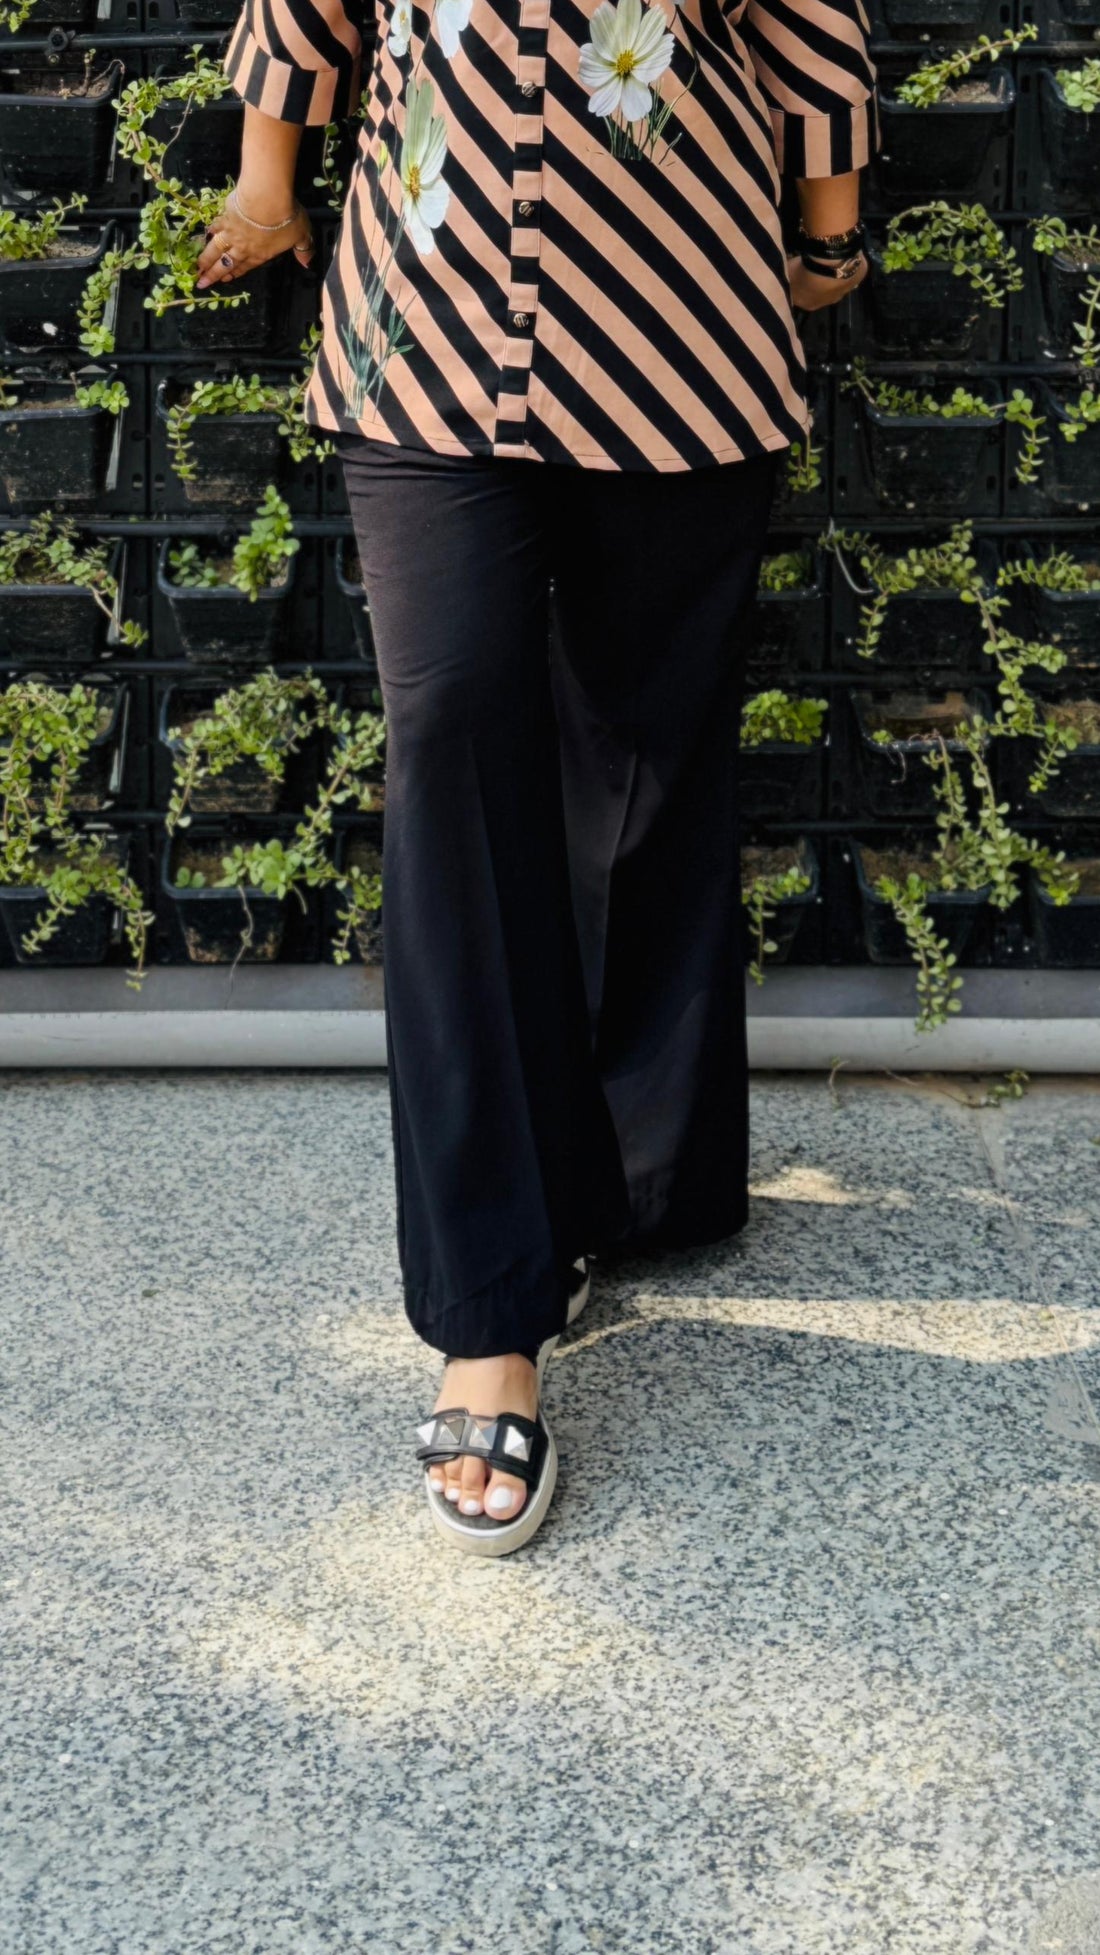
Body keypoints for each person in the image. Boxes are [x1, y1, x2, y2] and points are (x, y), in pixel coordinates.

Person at [203, 0, 878, 1556]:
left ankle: (637, 1174)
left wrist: (829, 236)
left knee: (644, 759)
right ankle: (489, 1314)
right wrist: (264, 183)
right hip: (423, 343)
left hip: (681, 340)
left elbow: (812, 19)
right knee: (452, 744)